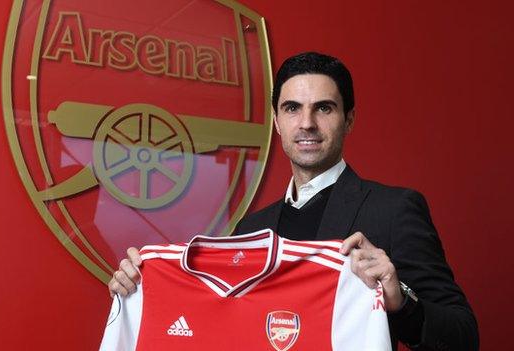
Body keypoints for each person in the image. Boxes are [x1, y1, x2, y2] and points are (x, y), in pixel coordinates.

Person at [107, 52, 479, 350]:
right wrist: (141, 285)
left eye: (324, 108)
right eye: (292, 109)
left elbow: (464, 336)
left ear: (349, 120)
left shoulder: (394, 210)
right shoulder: (249, 231)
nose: (307, 123)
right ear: (276, 121)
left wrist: (401, 301)